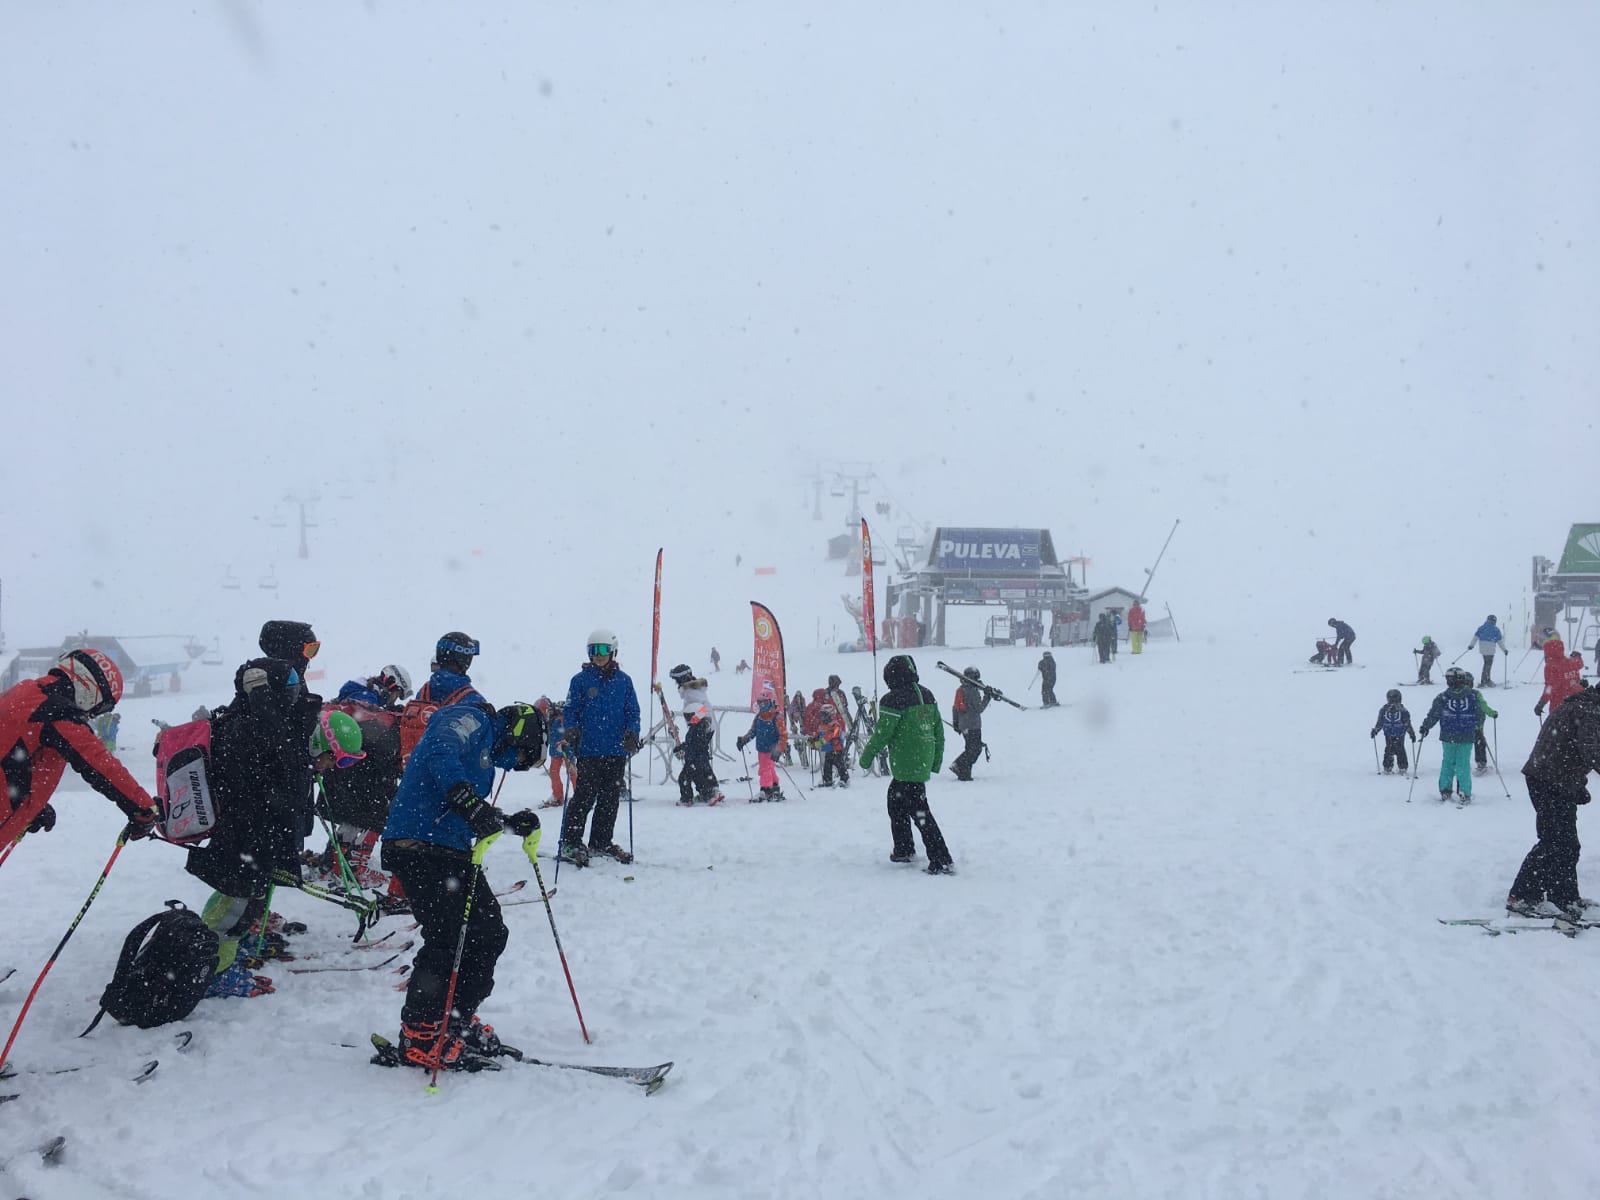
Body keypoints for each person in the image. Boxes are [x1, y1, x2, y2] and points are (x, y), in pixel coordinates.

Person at [381, 700, 545, 1070]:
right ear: (520, 733)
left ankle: (453, 1020)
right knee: (448, 937)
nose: (514, 764)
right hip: (419, 845)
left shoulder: (484, 750)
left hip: (447, 848)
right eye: (521, 756)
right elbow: (441, 749)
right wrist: (468, 800)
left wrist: (504, 821)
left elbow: (463, 809)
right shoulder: (472, 718)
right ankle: (421, 1034)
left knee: (488, 934)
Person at [186, 621, 324, 996]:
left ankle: (235, 948)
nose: (309, 660)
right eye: (308, 650)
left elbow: (288, 757)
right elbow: (273, 760)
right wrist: (270, 707)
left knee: (247, 891)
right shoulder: (255, 714)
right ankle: (214, 968)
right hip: (250, 829)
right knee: (235, 897)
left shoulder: (271, 702)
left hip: (263, 828)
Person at [0, 648, 157, 853]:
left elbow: (13, 750)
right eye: (101, 708)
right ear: (90, 689)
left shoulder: (27, 692)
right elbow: (96, 762)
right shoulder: (58, 712)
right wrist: (142, 807)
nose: (92, 715)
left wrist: (31, 807)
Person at [1505, 682, 1600, 921]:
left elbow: (1572, 749)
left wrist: (1577, 786)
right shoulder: (1588, 711)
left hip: (1557, 779)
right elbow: (1592, 751)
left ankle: (1565, 896)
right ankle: (1522, 896)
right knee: (1555, 841)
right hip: (1548, 780)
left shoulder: (1584, 705)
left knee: (1567, 844)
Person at [314, 665, 412, 888]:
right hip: (362, 771)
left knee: (351, 819)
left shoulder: (352, 693)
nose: (396, 700)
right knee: (377, 816)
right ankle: (356, 867)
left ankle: (334, 862)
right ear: (392, 686)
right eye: (399, 694)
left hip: (341, 768)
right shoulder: (367, 700)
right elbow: (372, 738)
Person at [858, 656, 955, 875]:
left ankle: (941, 858)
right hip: (920, 761)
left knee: (920, 812)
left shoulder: (894, 700)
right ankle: (904, 848)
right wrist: (935, 760)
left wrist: (866, 757)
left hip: (906, 763)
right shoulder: (926, 694)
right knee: (896, 801)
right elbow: (938, 730)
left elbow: (883, 733)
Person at [559, 629, 642, 866]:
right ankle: (571, 841)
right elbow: (571, 709)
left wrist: (632, 732)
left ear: (613, 651)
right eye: (593, 650)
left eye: (603, 650)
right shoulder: (580, 680)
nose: (598, 655)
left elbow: (632, 711)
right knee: (584, 796)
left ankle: (601, 841)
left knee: (610, 798)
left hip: (615, 750)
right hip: (589, 750)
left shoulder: (624, 681)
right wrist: (572, 729)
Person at [1418, 666, 1494, 803]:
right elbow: (1480, 712)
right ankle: (1464, 791)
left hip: (1448, 735)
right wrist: (1477, 725)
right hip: (1466, 735)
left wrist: (1426, 726)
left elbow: (1434, 714)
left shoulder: (1443, 697)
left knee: (1448, 762)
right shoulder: (1473, 695)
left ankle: (1445, 790)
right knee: (1463, 764)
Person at [736, 690, 785, 801]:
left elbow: (783, 735)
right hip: (762, 748)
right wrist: (743, 740)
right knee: (768, 768)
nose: (762, 706)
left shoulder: (776, 717)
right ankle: (774, 785)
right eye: (760, 703)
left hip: (772, 748)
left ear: (771, 702)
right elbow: (753, 731)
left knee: (764, 768)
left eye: (765, 703)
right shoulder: (759, 717)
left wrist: (779, 749)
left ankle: (766, 788)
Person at [949, 666, 990, 781]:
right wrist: (987, 697)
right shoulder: (972, 691)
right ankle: (959, 765)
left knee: (971, 749)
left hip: (964, 725)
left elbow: (955, 708)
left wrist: (956, 723)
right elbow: (979, 708)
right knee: (975, 750)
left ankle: (964, 773)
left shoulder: (961, 689)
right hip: (973, 725)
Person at [536, 698, 576, 809]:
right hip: (557, 751)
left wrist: (567, 746)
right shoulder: (551, 721)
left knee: (570, 771)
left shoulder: (560, 719)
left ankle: (578, 794)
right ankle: (558, 796)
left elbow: (568, 733)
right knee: (555, 772)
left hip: (565, 750)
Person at [1535, 632, 1584, 718]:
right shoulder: (1571, 661)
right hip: (1578, 700)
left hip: (1560, 704)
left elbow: (1549, 688)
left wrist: (1541, 703)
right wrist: (1578, 657)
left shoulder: (1551, 667)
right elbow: (1579, 664)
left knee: (1559, 728)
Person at [1370, 689, 1416, 775]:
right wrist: (1375, 730)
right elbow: (1380, 722)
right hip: (1390, 734)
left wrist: (1411, 733)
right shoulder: (1385, 710)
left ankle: (1399, 767)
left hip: (1398, 734)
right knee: (1391, 749)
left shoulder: (1402, 711)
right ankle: (1391, 766)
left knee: (1398, 749)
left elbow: (1407, 724)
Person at [816, 702, 849, 788]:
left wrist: (820, 742)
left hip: (836, 749)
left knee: (840, 764)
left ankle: (845, 779)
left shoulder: (835, 725)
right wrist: (813, 739)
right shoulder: (822, 725)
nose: (822, 717)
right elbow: (819, 734)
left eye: (824, 715)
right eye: (821, 715)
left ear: (830, 715)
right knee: (827, 765)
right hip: (828, 749)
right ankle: (827, 780)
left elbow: (831, 735)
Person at [1468, 615, 1506, 687]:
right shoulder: (1496, 630)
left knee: (1486, 664)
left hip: (1483, 649)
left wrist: (1471, 645)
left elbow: (1475, 638)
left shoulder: (1482, 628)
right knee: (1488, 665)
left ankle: (1485, 680)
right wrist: (1504, 650)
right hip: (1490, 649)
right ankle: (1486, 680)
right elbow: (1500, 641)